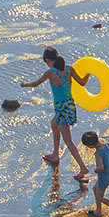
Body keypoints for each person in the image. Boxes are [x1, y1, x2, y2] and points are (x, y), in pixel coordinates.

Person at [21, 47, 91, 182]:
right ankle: (55, 154)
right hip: (70, 105)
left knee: (68, 139)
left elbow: (35, 83)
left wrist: (25, 84)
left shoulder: (51, 72)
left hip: (60, 108)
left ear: (48, 60)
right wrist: (89, 71)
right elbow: (82, 82)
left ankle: (83, 167)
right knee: (54, 124)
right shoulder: (69, 69)